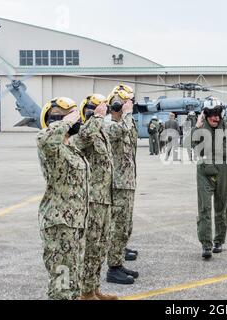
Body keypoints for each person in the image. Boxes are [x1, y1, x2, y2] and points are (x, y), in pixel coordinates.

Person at [37, 97, 88, 300]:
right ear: (57, 120)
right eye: (73, 116)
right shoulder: (52, 147)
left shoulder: (70, 147)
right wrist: (66, 121)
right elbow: (44, 137)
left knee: (73, 277)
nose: (78, 120)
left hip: (74, 223)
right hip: (59, 224)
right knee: (62, 283)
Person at [184, 98, 227, 259]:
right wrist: (196, 126)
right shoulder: (200, 128)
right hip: (204, 170)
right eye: (210, 114)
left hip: (223, 169)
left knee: (222, 208)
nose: (214, 118)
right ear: (205, 114)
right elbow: (185, 144)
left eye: (217, 114)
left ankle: (219, 241)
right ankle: (206, 245)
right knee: (204, 208)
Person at [71, 94, 117, 300]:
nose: (105, 110)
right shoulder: (85, 130)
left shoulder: (100, 132)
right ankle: (85, 292)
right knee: (91, 245)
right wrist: (96, 117)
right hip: (93, 199)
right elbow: (79, 140)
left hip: (105, 197)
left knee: (102, 244)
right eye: (101, 108)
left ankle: (94, 288)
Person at [105, 84, 139, 285]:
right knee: (118, 226)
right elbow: (119, 131)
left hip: (127, 182)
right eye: (126, 103)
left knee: (126, 225)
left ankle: (118, 259)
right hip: (117, 184)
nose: (131, 106)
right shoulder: (109, 124)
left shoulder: (127, 122)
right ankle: (113, 268)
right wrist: (125, 113)